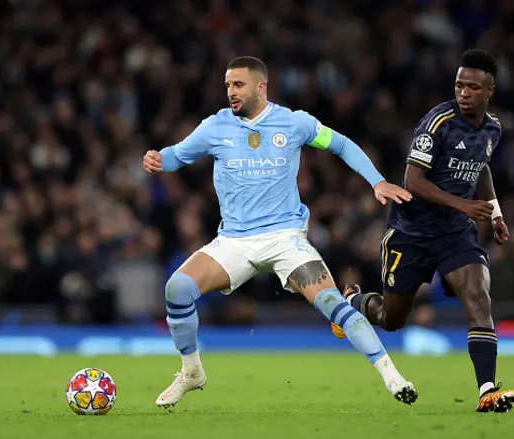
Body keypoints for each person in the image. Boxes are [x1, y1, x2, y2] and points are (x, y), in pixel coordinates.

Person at [142, 56, 418, 408]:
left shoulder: (294, 123)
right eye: (227, 85)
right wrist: (157, 159)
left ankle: (394, 378)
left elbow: (341, 144)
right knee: (177, 288)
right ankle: (192, 372)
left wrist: (377, 181)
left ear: (261, 87)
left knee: (333, 303)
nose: (230, 92)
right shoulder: (215, 127)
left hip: (285, 238)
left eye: (238, 85)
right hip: (234, 242)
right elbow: (178, 155)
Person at [331, 49, 514, 413]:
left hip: (455, 234)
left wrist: (495, 214)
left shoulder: (492, 129)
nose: (464, 92)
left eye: (472, 87)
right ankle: (352, 301)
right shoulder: (437, 123)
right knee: (392, 318)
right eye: (459, 85)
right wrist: (464, 204)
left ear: (489, 91)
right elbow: (412, 181)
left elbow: (480, 168)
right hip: (411, 232)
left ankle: (487, 390)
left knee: (480, 300)